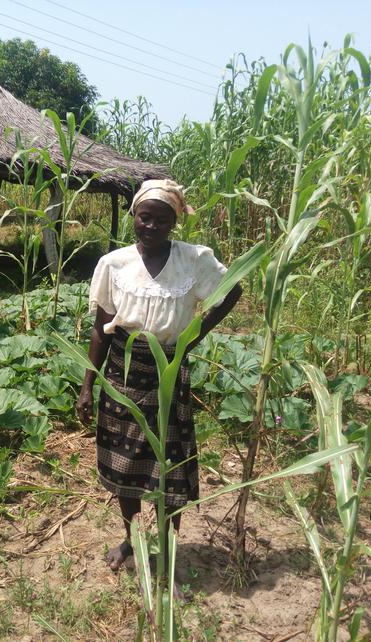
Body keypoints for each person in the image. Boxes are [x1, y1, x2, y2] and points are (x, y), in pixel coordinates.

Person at [76, 179, 241, 571]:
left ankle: (167, 555)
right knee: (124, 466)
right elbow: (101, 328)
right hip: (122, 374)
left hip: (168, 373)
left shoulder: (193, 260)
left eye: (161, 221)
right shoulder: (115, 264)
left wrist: (195, 335)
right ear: (134, 216)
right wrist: (88, 384)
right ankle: (131, 541)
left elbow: (232, 290)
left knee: (171, 472)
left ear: (174, 222)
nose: (150, 227)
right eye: (144, 218)